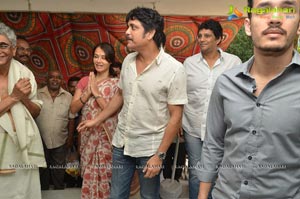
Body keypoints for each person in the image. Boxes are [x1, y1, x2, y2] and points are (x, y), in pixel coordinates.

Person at [77, 7, 187, 199]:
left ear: (151, 32)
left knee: (149, 196)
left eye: (133, 27)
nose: (127, 32)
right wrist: (96, 120)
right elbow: (120, 96)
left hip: (149, 148)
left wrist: (159, 155)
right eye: (128, 26)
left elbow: (176, 116)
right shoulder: (128, 61)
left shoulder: (174, 69)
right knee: (117, 195)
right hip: (122, 143)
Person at [197, 0, 300, 198]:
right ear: (248, 26)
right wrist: (202, 195)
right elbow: (214, 144)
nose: (275, 18)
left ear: (298, 26)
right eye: (264, 10)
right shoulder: (226, 83)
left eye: (287, 10)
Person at [182, 19, 241, 198]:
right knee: (196, 174)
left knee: (217, 174)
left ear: (218, 39)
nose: (202, 39)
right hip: (193, 128)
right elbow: (181, 95)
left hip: (221, 131)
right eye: (200, 36)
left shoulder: (234, 63)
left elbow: (239, 96)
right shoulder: (189, 63)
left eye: (207, 36)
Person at [0, 22, 46, 199]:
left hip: (22, 148)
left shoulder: (25, 74)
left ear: (13, 49)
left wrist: (24, 97)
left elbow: (35, 112)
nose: (0, 50)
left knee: (23, 194)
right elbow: (15, 97)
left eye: (3, 45)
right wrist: (14, 96)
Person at [70, 42, 119, 199]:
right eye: (96, 56)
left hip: (106, 140)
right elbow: (73, 109)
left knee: (105, 178)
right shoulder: (85, 81)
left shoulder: (117, 83)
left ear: (110, 61)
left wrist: (97, 93)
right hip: (87, 137)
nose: (99, 61)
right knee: (89, 177)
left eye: (104, 58)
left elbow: (112, 110)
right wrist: (87, 93)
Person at [35, 70, 75, 190]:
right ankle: (44, 190)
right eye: (52, 77)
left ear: (61, 81)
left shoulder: (68, 96)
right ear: (46, 79)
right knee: (42, 168)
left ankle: (59, 190)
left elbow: (71, 118)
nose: (55, 80)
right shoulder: (37, 94)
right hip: (40, 139)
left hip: (61, 139)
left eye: (58, 78)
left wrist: (70, 138)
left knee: (59, 168)